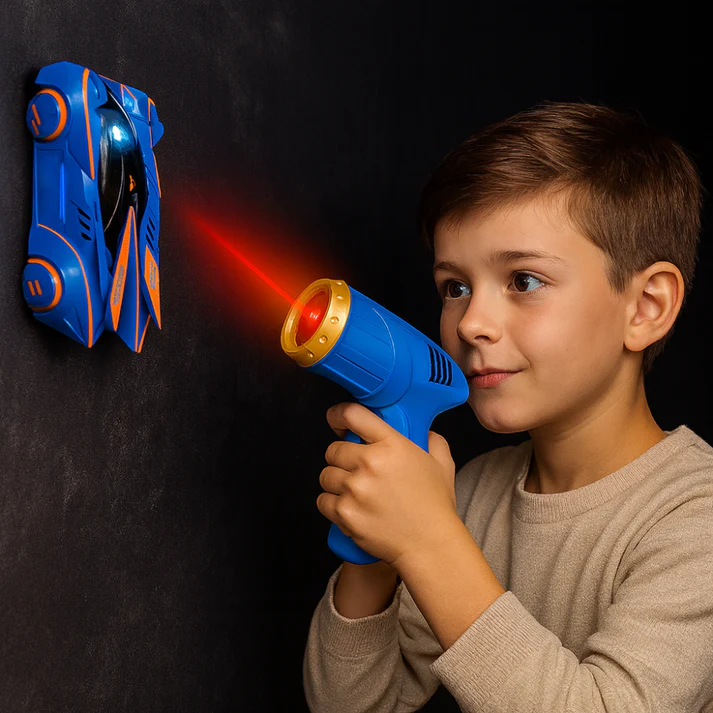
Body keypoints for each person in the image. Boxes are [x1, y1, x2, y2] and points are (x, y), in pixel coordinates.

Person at [302, 102, 713, 712]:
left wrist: (428, 541)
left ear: (646, 307)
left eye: (524, 280)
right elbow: (353, 706)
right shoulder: (471, 495)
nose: (471, 322)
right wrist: (378, 550)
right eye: (455, 287)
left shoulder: (694, 520)